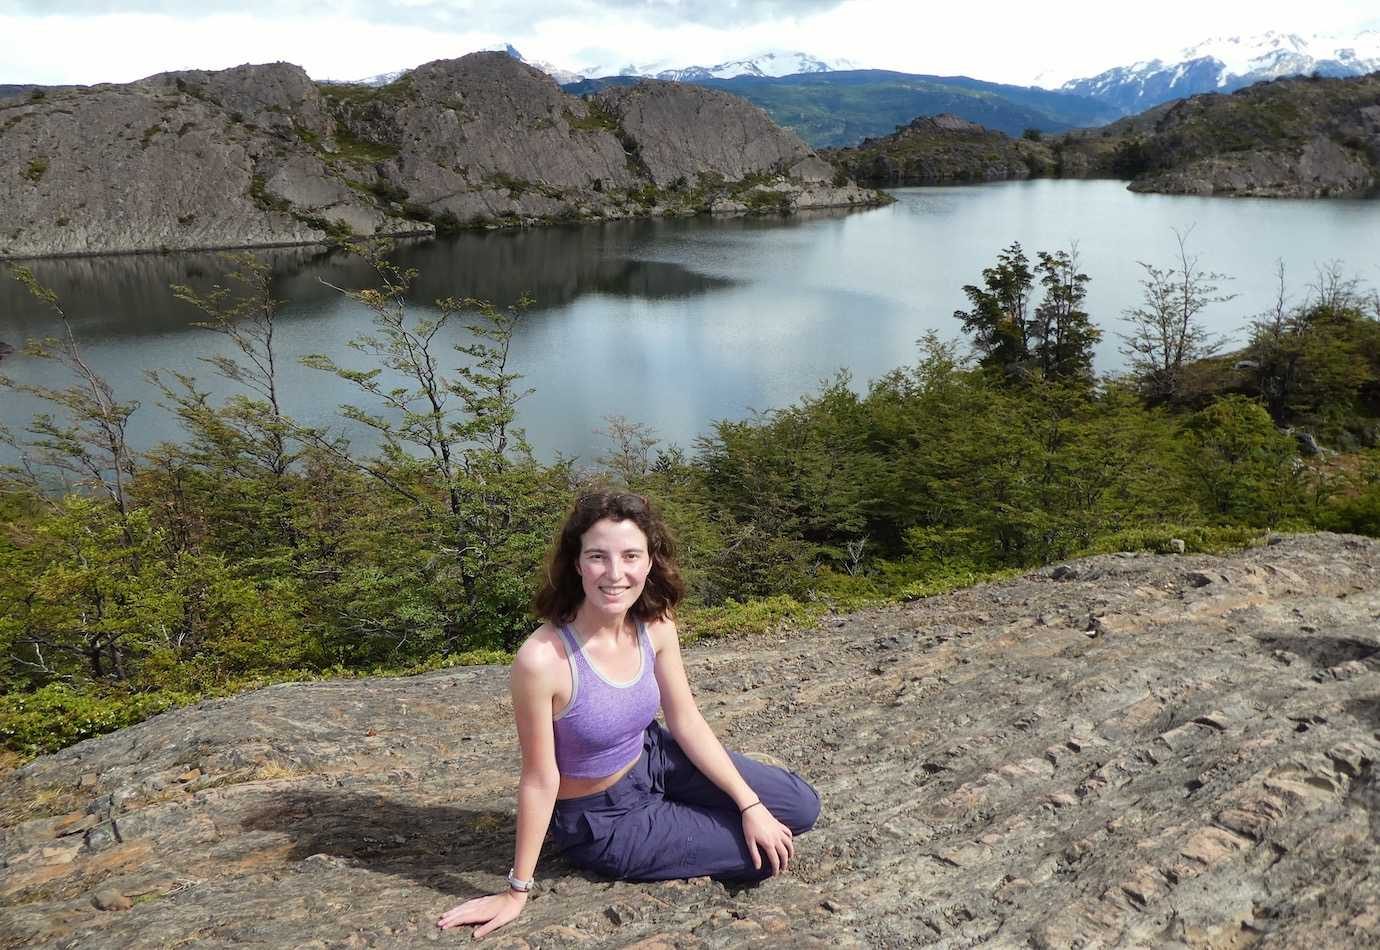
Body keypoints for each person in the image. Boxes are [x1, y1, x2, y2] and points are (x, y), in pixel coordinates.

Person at [437, 490, 821, 939]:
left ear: (650, 561)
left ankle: (699, 809)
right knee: (761, 856)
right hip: (604, 817)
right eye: (598, 557)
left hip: (655, 756)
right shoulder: (543, 660)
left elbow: (686, 719)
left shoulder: (654, 625)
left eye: (631, 556)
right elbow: (540, 778)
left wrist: (749, 802)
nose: (615, 574)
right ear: (576, 564)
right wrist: (516, 890)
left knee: (799, 808)